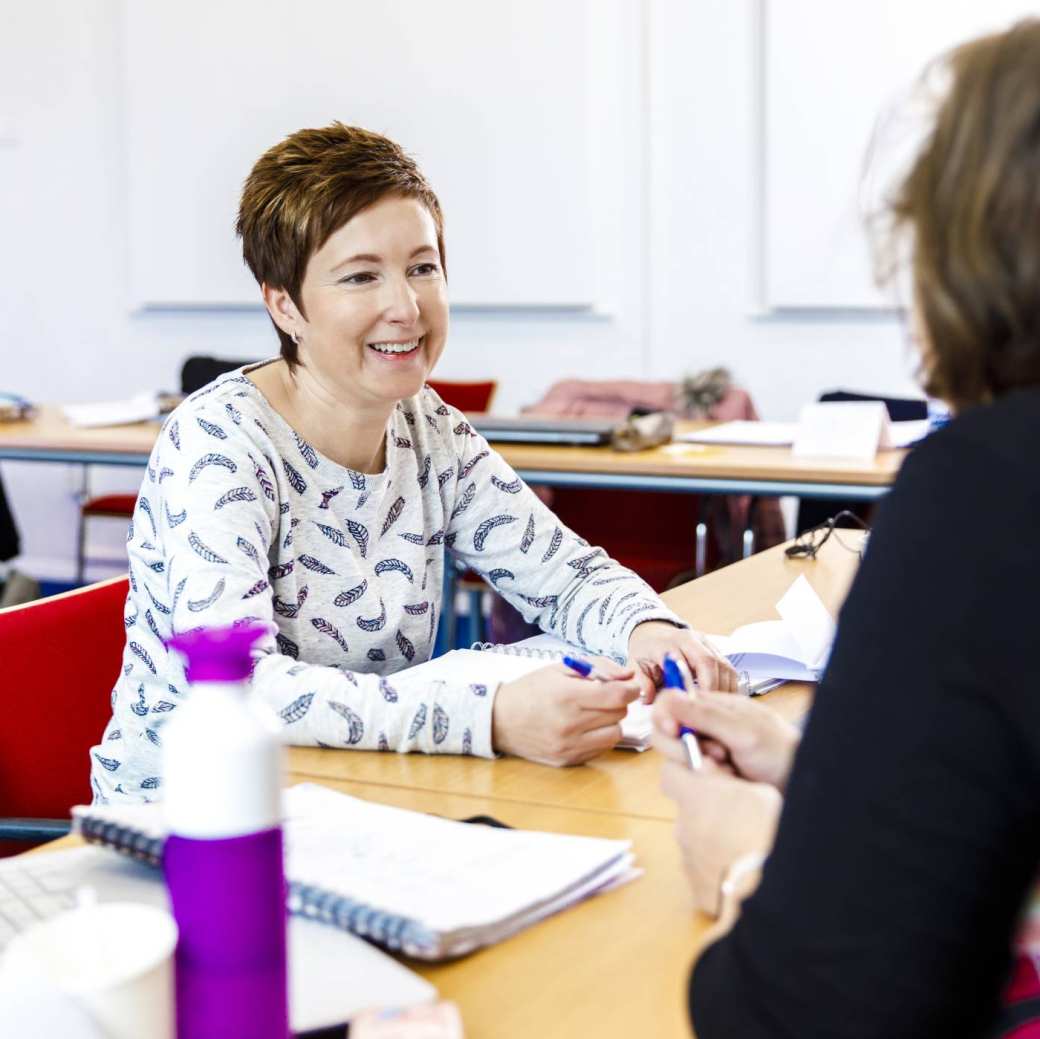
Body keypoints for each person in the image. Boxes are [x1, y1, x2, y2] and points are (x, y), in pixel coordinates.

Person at [89, 122, 735, 803]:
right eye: (362, 276)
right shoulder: (219, 444)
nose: (406, 306)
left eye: (423, 267)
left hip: (362, 796)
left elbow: (564, 577)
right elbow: (239, 686)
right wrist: (490, 717)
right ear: (284, 304)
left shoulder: (429, 428)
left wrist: (650, 629)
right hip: (195, 820)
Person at [654, 19, 1040, 1039]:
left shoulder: (988, 488)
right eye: (366, 273)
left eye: (420, 267)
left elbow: (814, 1007)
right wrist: (834, 771)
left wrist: (752, 856)